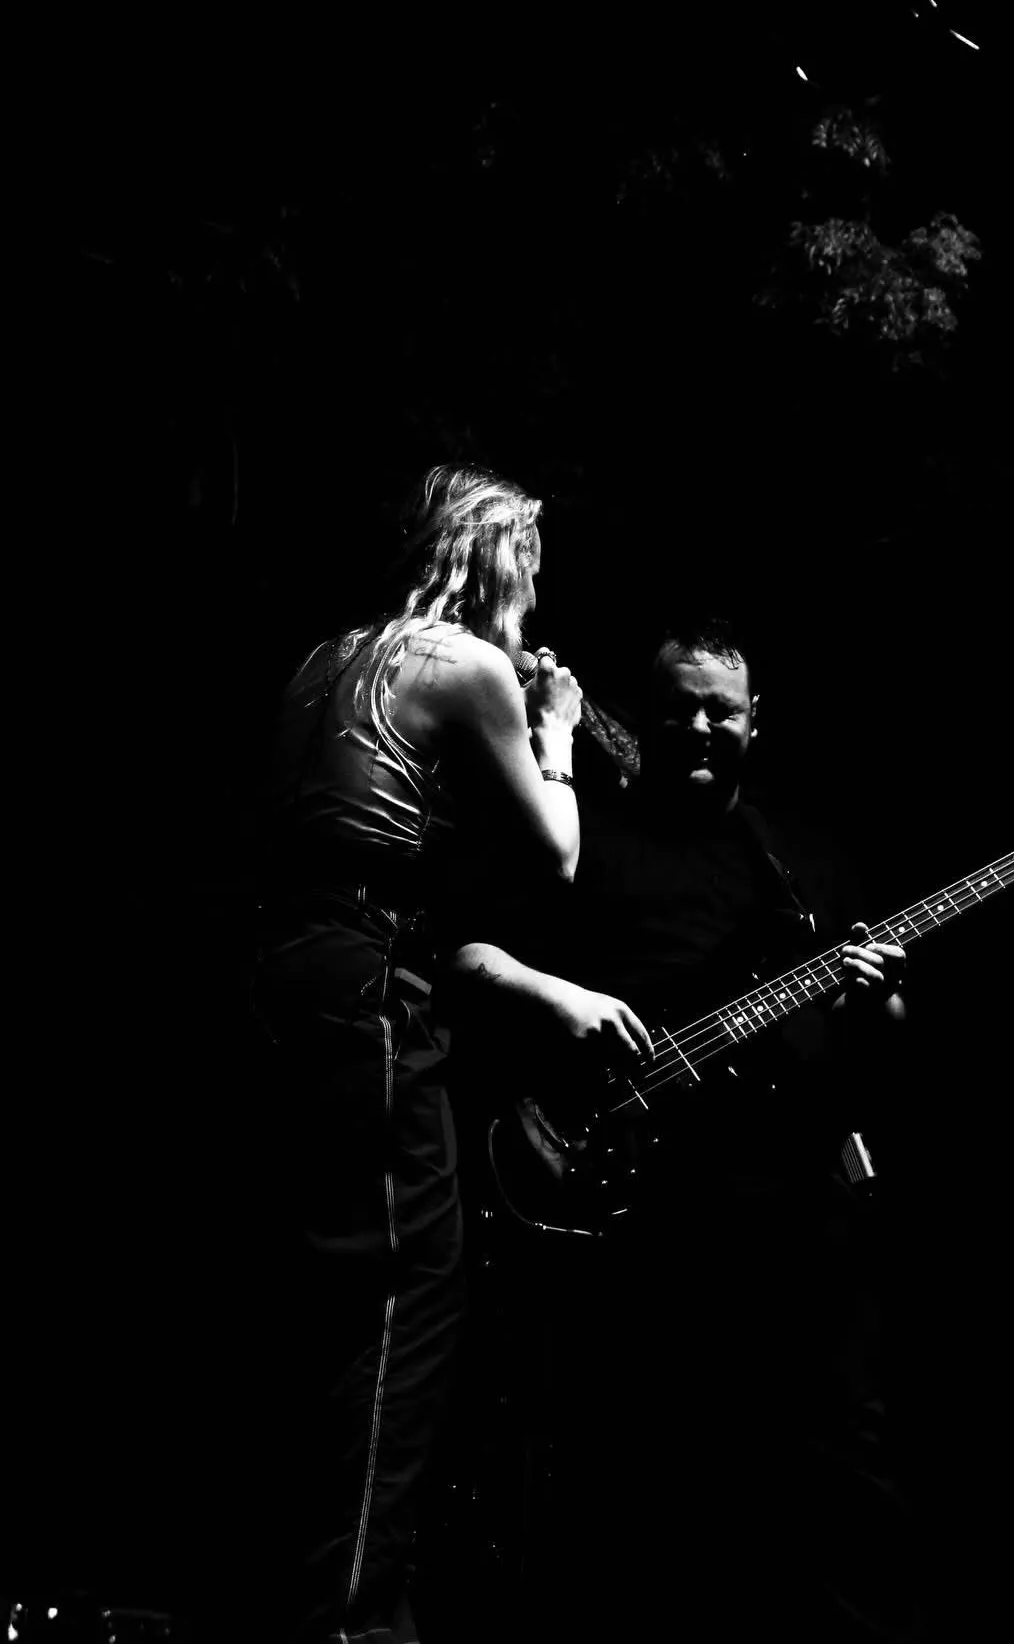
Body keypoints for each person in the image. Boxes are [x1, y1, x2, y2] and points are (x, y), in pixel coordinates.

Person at [447, 619, 920, 1643]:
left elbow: (881, 1042)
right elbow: (466, 954)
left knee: (839, 1481)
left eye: (722, 711)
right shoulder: (584, 836)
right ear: (647, 717)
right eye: (679, 710)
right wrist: (561, 999)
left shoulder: (803, 857)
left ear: (756, 722)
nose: (701, 728)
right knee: (658, 1495)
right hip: (648, 1224)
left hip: (801, 1223)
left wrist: (878, 998)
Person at [246, 463, 647, 1644]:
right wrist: (555, 732)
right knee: (406, 1289)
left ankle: (312, 1594)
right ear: (499, 565)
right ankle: (354, 1622)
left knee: (318, 1296)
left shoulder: (326, 659)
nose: (538, 599)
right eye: (534, 573)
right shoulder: (465, 665)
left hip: (285, 975)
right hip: (369, 988)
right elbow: (554, 856)